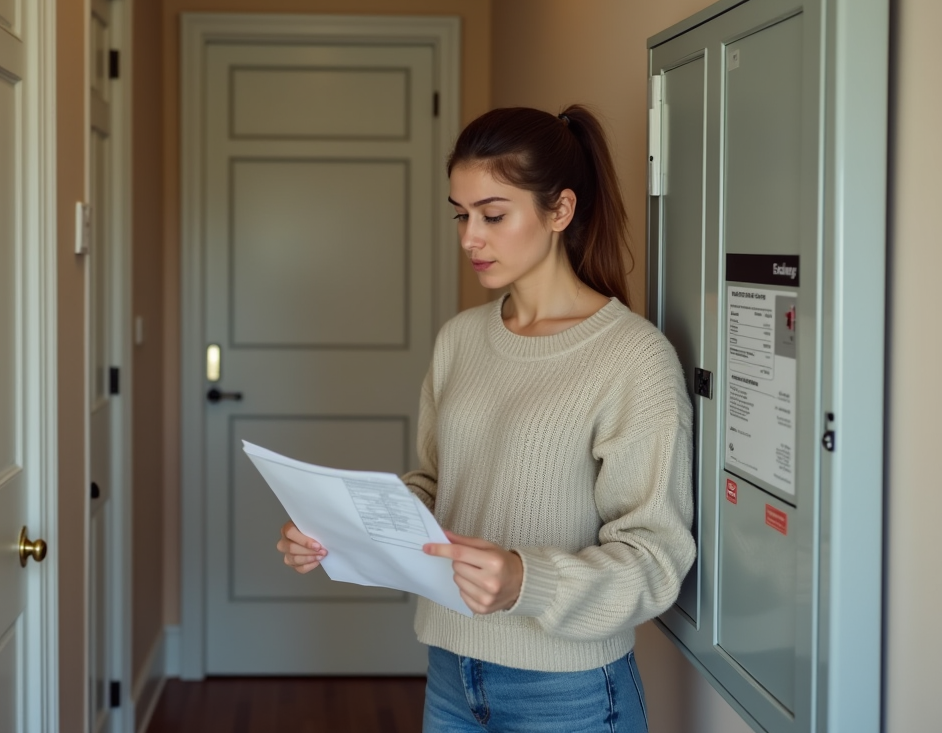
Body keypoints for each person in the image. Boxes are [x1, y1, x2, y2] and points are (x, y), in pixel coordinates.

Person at [277, 106, 695, 733]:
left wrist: (526, 579)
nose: (470, 237)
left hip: (569, 692)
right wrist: (338, 530)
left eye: (493, 215)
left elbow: (656, 558)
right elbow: (436, 487)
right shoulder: (461, 339)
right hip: (451, 671)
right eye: (461, 214)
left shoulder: (632, 358)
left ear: (560, 210)